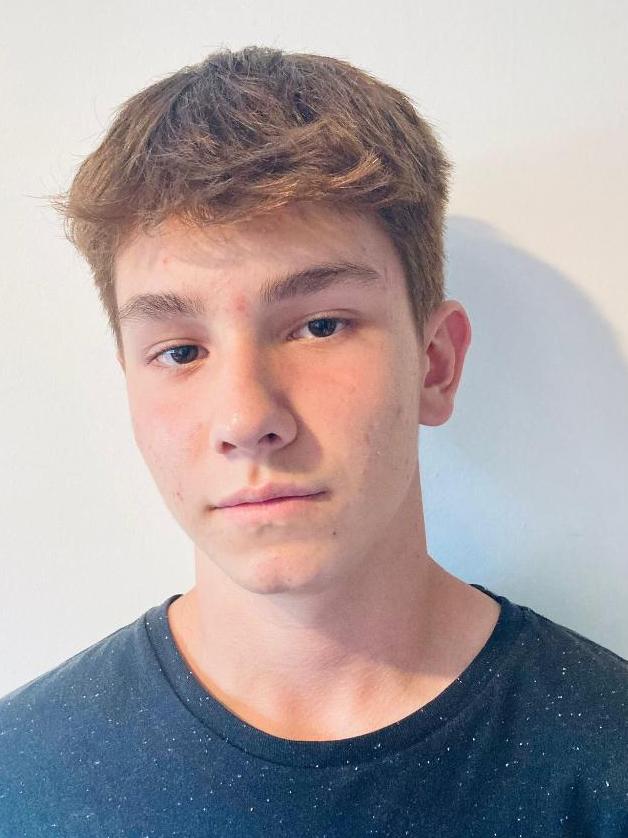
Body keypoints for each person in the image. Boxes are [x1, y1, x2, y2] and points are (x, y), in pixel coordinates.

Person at [0, 45, 625, 837]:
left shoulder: (606, 762)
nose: (246, 418)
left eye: (320, 326)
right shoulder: (21, 780)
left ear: (435, 365)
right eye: (181, 351)